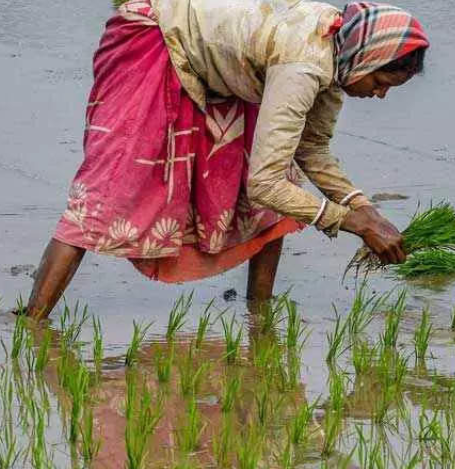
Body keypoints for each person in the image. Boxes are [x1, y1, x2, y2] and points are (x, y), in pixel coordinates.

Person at [24, 0, 429, 320]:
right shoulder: (303, 66)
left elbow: (312, 149)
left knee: (275, 198)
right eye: (380, 83)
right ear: (365, 58)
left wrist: (364, 208)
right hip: (157, 41)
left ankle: (259, 316)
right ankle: (32, 323)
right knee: (106, 192)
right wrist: (346, 220)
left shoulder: (337, 57)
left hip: (230, 71)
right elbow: (265, 184)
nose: (380, 95)